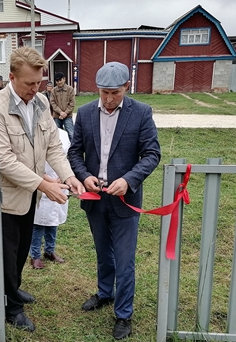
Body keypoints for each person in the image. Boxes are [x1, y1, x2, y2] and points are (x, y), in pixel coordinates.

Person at [0, 46, 85, 332]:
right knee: (7, 254)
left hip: (31, 195)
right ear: (12, 77)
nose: (35, 88)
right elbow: (3, 160)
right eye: (29, 83)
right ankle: (11, 308)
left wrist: (69, 176)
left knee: (22, 249)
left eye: (39, 82)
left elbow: (53, 146)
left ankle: (13, 290)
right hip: (6, 198)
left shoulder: (40, 102)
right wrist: (43, 183)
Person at [67, 62, 161, 340]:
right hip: (95, 198)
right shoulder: (84, 113)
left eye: (115, 93)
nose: (108, 100)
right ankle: (105, 293)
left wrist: (129, 180)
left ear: (126, 88)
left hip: (125, 200)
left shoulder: (141, 112)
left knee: (124, 259)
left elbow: (152, 154)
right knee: (102, 251)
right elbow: (75, 152)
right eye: (104, 93)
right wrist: (84, 176)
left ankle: (123, 314)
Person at [29, 128, 70, 269]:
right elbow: (31, 165)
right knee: (39, 223)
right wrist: (49, 182)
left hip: (60, 182)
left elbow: (67, 157)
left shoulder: (63, 134)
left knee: (54, 221)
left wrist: (63, 176)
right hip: (41, 182)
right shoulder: (33, 133)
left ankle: (49, 250)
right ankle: (35, 255)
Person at [50, 72, 75, 142]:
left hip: (67, 116)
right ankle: (60, 150)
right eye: (57, 81)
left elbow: (72, 103)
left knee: (71, 134)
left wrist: (65, 113)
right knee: (57, 134)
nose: (59, 82)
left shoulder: (70, 89)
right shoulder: (53, 91)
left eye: (60, 80)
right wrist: (60, 112)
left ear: (64, 79)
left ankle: (73, 151)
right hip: (57, 116)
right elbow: (52, 103)